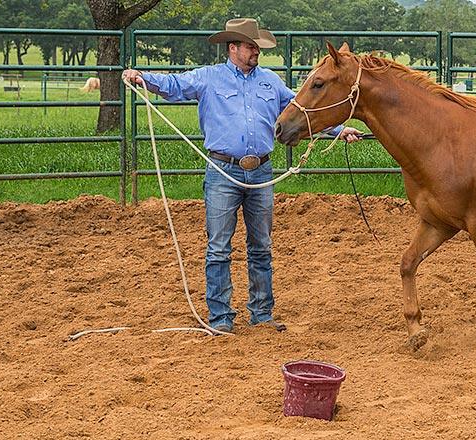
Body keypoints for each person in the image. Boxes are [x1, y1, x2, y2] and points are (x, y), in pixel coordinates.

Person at [122, 18, 363, 334]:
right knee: (219, 247)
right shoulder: (209, 78)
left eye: (257, 47)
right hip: (223, 170)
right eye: (251, 46)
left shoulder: (270, 81)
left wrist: (338, 129)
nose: (256, 51)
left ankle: (261, 314)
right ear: (233, 47)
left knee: (261, 246)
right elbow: (175, 85)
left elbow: (303, 109)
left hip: (260, 170)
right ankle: (221, 317)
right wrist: (143, 77)